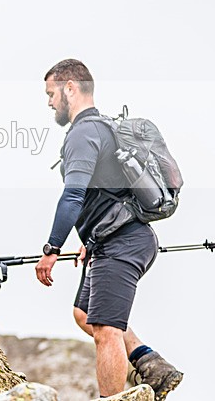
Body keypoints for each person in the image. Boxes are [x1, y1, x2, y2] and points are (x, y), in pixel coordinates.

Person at [36, 59, 182, 399]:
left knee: (105, 330)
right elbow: (108, 194)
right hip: (115, 239)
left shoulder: (84, 133)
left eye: (50, 93)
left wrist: (52, 249)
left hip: (123, 241)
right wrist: (90, 237)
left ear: (69, 88)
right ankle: (151, 363)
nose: (49, 102)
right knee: (84, 313)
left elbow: (73, 196)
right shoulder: (103, 129)